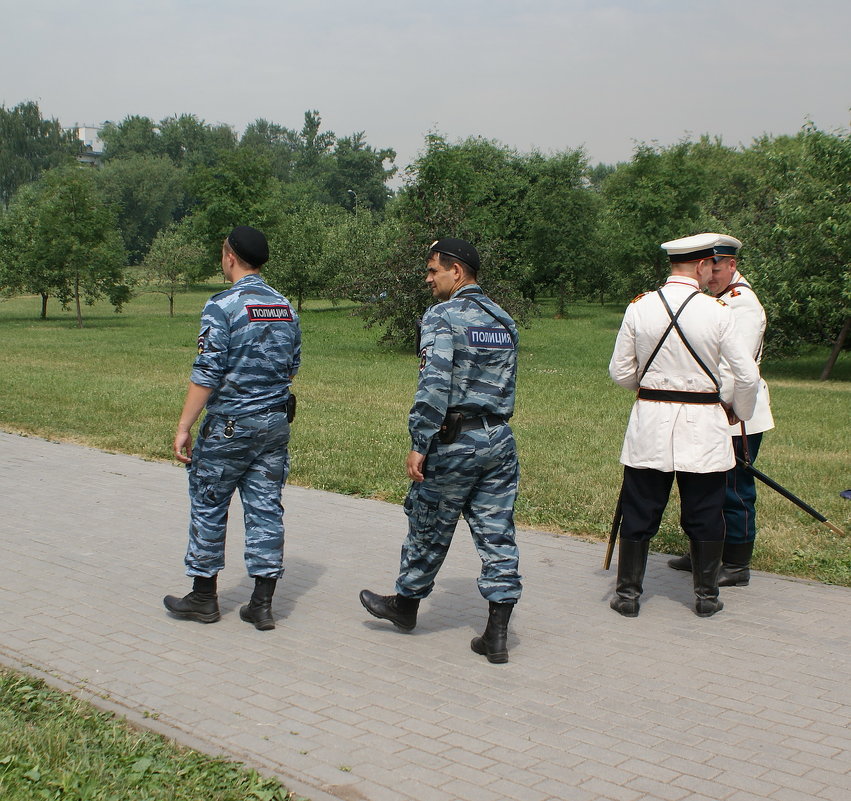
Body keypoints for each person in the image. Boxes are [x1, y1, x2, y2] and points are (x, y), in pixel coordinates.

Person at [359, 238, 522, 663]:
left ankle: (405, 606)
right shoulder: (503, 320)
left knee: (428, 521)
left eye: (434, 271)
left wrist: (420, 442)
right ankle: (497, 635)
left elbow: (434, 386)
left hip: (454, 441)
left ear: (458, 272)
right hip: (499, 439)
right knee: (497, 533)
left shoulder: (442, 317)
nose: (428, 279)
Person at [608, 233, 760, 617]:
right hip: (704, 426)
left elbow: (619, 371)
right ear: (701, 265)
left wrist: (650, 388)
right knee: (706, 511)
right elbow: (746, 376)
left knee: (640, 508)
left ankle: (628, 596)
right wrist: (738, 411)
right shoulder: (718, 311)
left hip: (650, 422)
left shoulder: (640, 308)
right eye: (711, 265)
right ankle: (706, 597)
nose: (712, 272)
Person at [163, 225, 301, 631]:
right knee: (265, 508)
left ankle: (204, 598)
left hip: (229, 425)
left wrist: (185, 424)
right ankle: (261, 604)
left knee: (209, 503)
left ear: (230, 257)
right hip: (274, 423)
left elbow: (207, 371)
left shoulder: (222, 305)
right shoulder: (284, 306)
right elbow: (292, 364)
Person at [668, 234, 774, 586]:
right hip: (710, 409)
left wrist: (715, 405)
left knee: (734, 489)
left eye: (718, 269)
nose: (710, 276)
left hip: (734, 414)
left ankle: (736, 562)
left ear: (732, 265)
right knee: (703, 484)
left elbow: (735, 371)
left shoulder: (741, 305)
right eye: (707, 268)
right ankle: (703, 550)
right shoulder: (718, 300)